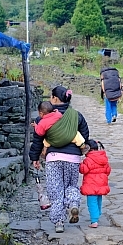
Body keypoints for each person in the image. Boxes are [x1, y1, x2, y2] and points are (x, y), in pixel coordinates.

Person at [29, 86, 89, 233]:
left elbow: (37, 140)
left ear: (55, 98)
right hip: (73, 158)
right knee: (71, 186)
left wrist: (34, 158)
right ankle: (74, 204)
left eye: (51, 97)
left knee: (56, 191)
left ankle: (59, 222)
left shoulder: (42, 119)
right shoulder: (76, 115)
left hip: (53, 159)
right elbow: (85, 135)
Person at [79, 140, 111, 228]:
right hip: (101, 184)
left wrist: (80, 163)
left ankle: (94, 221)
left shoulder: (88, 160)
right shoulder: (103, 158)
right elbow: (108, 171)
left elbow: (83, 170)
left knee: (91, 202)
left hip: (91, 185)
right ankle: (97, 214)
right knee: (98, 200)